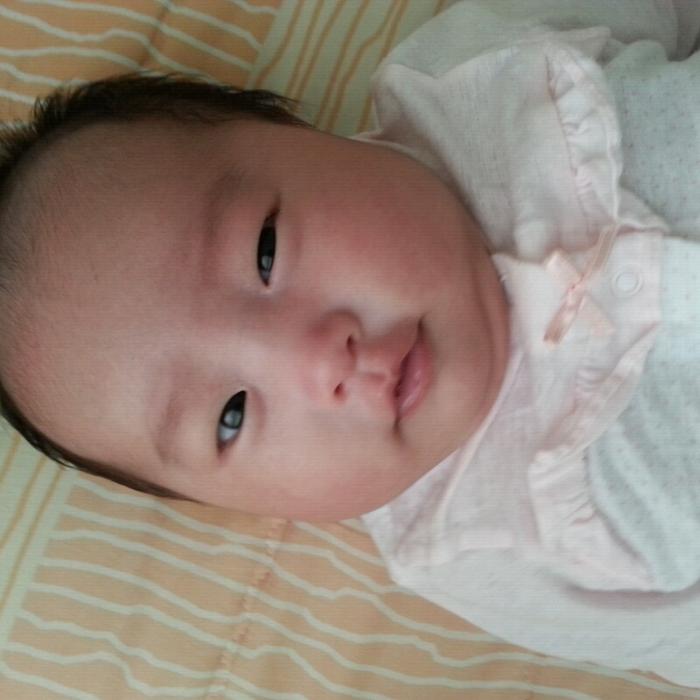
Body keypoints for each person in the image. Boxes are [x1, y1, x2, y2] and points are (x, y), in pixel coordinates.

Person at [0, 0, 699, 687]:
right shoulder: (484, 549)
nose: (314, 358)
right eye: (230, 416)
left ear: (297, 133)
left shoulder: (479, 70)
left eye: (265, 252)